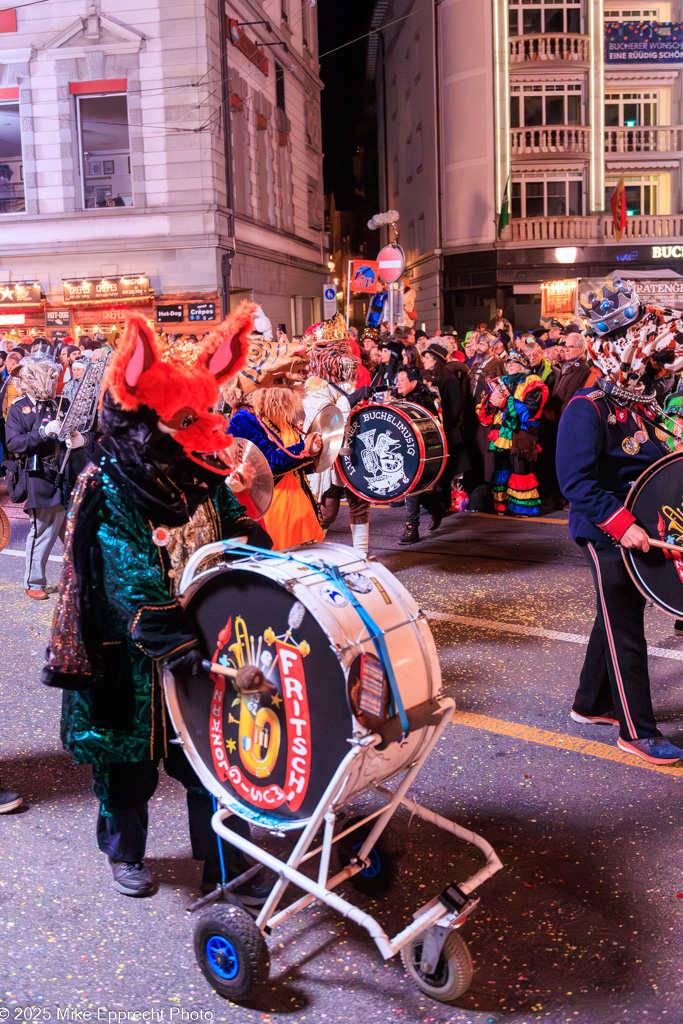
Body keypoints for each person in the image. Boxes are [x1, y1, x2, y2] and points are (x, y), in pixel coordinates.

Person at [47, 303, 276, 898]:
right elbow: (123, 573)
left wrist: (258, 551)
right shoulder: (109, 485)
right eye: (184, 421)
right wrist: (170, 638)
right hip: (130, 647)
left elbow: (233, 525)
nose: (204, 432)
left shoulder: (193, 473)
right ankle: (124, 854)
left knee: (209, 762)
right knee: (126, 764)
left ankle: (226, 864)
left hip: (201, 636)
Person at [557, 278, 683, 764]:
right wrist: (621, 523)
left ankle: (590, 704)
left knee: (613, 617)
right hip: (604, 529)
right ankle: (637, 730)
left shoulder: (639, 405)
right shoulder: (587, 408)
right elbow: (576, 482)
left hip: (641, 524)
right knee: (626, 624)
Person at [4, 355, 86, 599]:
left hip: (68, 473)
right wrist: (40, 433)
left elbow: (86, 429)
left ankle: (78, 581)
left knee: (75, 533)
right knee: (43, 530)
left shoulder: (63, 401)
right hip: (39, 475)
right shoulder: (19, 407)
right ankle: (34, 583)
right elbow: (14, 442)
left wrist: (81, 439)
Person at [230, 388, 323, 551]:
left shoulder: (276, 414)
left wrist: (313, 447)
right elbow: (266, 464)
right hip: (272, 510)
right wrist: (304, 448)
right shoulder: (243, 419)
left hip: (299, 506)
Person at [303, 341, 370, 553]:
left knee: (359, 502)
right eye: (341, 354)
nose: (348, 360)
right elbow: (325, 420)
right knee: (327, 511)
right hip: (329, 453)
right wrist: (351, 400)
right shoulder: (314, 386)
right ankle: (311, 552)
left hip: (351, 450)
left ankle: (362, 554)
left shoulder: (346, 384)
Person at [476, 349, 548, 516]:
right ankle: (503, 504)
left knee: (520, 468)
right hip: (500, 433)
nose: (511, 365)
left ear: (523, 366)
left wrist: (504, 403)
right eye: (508, 363)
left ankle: (523, 508)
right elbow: (486, 407)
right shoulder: (500, 382)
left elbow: (529, 410)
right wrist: (491, 403)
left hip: (521, 433)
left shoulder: (533, 383)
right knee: (501, 468)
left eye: (515, 363)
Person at [422, 343, 468, 522]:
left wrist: (443, 423)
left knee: (446, 469)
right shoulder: (426, 377)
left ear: (436, 360)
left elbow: (456, 407)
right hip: (431, 429)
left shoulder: (449, 379)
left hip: (446, 429)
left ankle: (444, 503)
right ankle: (435, 503)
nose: (424, 360)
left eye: (427, 358)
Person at [396, 367, 442, 544]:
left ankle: (411, 529)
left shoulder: (422, 400)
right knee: (416, 487)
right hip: (411, 450)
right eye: (397, 379)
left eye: (401, 380)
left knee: (413, 488)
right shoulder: (407, 398)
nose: (397, 383)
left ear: (413, 383)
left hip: (423, 450)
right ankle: (436, 506)